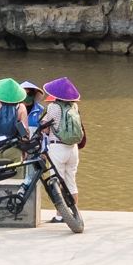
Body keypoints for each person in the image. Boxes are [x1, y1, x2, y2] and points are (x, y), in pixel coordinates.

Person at [41, 76, 85, 217]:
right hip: (73, 148)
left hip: (57, 148)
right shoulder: (74, 106)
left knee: (56, 181)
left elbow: (46, 128)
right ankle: (75, 213)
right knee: (71, 181)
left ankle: (60, 215)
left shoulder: (53, 107)